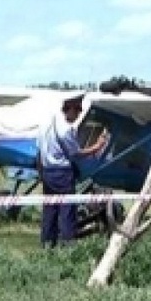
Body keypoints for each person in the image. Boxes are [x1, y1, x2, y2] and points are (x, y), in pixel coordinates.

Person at [35, 95, 107, 248]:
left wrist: (41, 173)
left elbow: (39, 152)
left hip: (47, 172)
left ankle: (47, 244)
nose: (80, 114)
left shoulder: (46, 124)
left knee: (50, 209)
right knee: (67, 210)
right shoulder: (66, 130)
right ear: (71, 108)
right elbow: (75, 154)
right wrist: (97, 147)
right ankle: (68, 246)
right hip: (62, 173)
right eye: (78, 110)